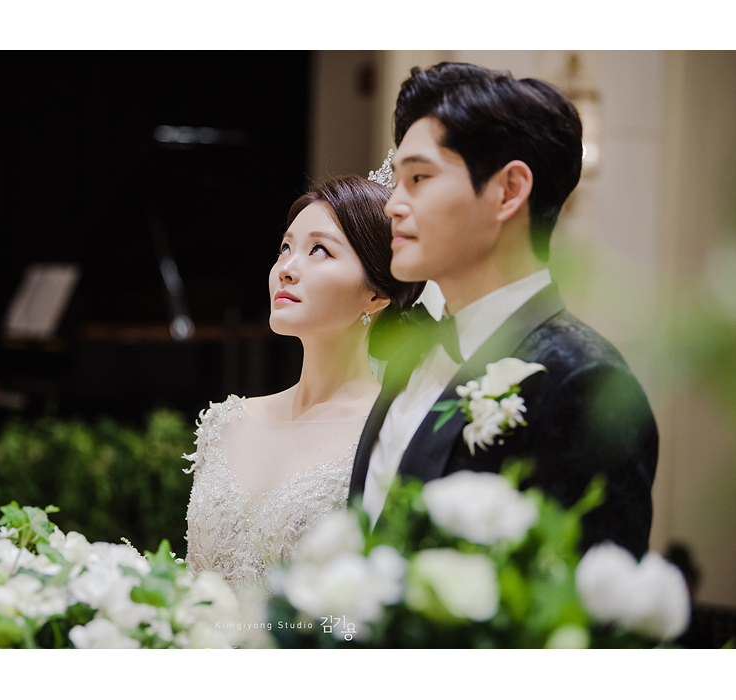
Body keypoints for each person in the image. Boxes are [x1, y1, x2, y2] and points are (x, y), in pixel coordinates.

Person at [349, 63, 658, 558]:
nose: (392, 205)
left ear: (509, 191)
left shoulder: (583, 382)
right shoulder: (415, 351)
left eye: (419, 177)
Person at [184, 175, 423, 591]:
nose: (287, 270)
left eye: (319, 250)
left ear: (377, 295)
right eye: (285, 248)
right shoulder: (226, 421)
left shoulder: (392, 430)